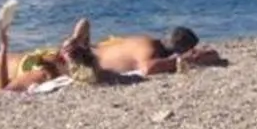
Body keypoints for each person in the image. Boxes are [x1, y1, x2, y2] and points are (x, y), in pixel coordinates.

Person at [72, 19, 228, 76]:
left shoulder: (146, 41)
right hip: (87, 62)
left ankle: (77, 42)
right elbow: (147, 68)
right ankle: (75, 46)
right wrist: (184, 60)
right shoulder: (150, 51)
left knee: (84, 23)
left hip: (91, 51)